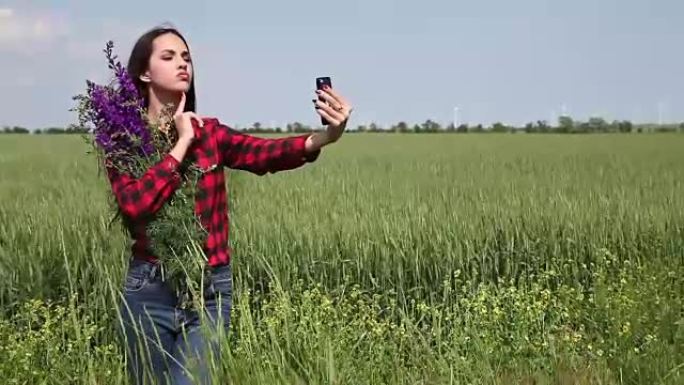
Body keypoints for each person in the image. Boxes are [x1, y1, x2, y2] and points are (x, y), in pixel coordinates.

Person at [110, 25, 352, 385]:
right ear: (144, 72)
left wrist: (325, 137)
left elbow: (263, 152)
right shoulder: (123, 141)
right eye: (169, 56)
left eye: (187, 58)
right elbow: (134, 205)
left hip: (209, 288)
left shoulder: (211, 133)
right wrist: (181, 144)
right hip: (150, 290)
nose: (183, 65)